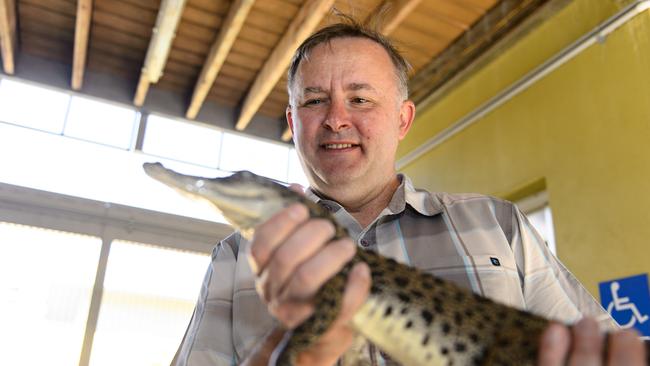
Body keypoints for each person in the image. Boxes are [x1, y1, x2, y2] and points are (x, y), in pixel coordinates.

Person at [172, 20, 646, 366]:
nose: (337, 118)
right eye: (315, 100)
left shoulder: (499, 224)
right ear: (294, 124)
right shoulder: (235, 257)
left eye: (360, 99)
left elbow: (604, 346)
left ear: (402, 119)